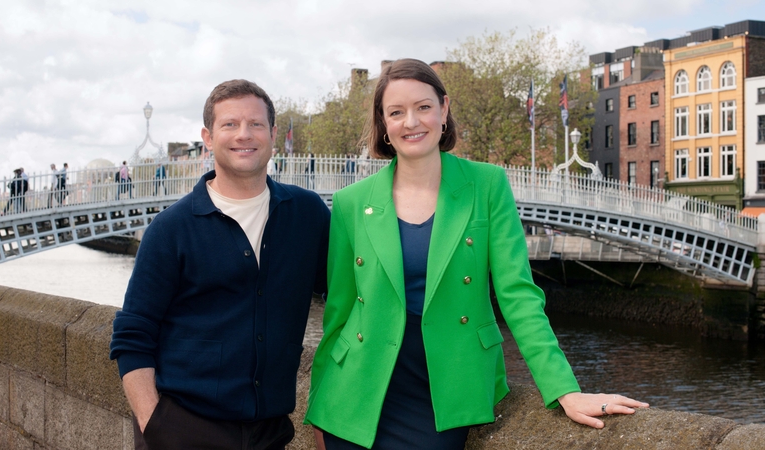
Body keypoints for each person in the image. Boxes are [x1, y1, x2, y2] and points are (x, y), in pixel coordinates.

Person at [305, 59, 648, 450]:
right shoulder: (351, 203)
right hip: (355, 390)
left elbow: (518, 294)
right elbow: (339, 312)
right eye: (396, 112)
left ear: (444, 109)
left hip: (447, 383)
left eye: (423, 107)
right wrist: (319, 403)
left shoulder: (487, 185)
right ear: (384, 123)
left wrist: (564, 389)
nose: (411, 122)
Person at [109, 79, 330, 450]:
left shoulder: (308, 214)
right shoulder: (170, 229)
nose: (244, 134)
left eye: (255, 124)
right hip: (183, 430)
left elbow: (346, 294)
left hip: (269, 432)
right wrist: (156, 426)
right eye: (230, 124)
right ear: (208, 138)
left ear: (273, 134)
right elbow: (133, 336)